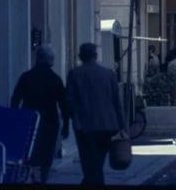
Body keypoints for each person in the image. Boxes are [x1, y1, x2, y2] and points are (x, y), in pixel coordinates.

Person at [66, 42, 126, 185]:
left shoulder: (75, 74)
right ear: (96, 55)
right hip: (108, 125)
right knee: (97, 162)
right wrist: (123, 125)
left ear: (80, 56)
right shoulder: (109, 73)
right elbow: (117, 102)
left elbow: (69, 101)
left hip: (85, 126)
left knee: (89, 164)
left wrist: (70, 119)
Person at [11, 45, 69, 184]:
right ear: (48, 59)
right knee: (46, 154)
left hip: (29, 121)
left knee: (30, 152)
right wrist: (66, 125)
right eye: (52, 58)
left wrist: (15, 118)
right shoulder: (55, 79)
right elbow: (63, 104)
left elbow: (15, 98)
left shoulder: (26, 77)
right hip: (49, 122)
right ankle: (41, 178)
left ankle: (31, 176)